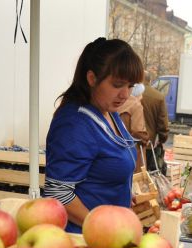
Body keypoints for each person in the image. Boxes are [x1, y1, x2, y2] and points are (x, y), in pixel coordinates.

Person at [44, 38, 144, 233]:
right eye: (117, 84)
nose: (125, 94)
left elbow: (101, 172)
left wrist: (122, 190)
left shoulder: (109, 113)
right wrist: (98, 226)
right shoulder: (75, 124)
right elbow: (58, 193)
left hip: (112, 235)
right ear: (92, 78)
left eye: (130, 86)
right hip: (83, 241)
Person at [141, 70, 169, 175]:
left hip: (130, 144)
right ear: (150, 80)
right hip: (148, 144)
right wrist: (162, 139)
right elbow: (163, 123)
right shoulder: (158, 97)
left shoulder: (129, 94)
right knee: (146, 177)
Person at [118, 84, 149, 172]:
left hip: (117, 151)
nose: (142, 96)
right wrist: (146, 138)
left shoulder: (116, 103)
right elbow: (137, 132)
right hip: (133, 153)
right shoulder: (136, 105)